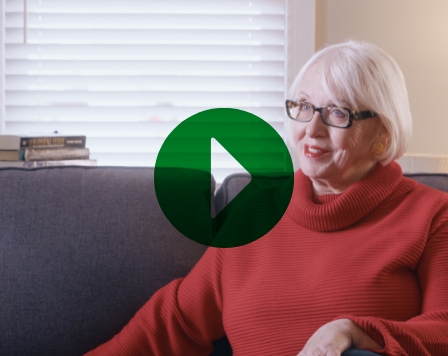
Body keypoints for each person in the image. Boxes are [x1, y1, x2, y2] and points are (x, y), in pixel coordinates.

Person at [86, 41, 448, 355]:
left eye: (338, 113)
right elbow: (175, 323)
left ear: (382, 135)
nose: (312, 129)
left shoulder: (432, 216)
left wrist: (351, 331)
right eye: (303, 107)